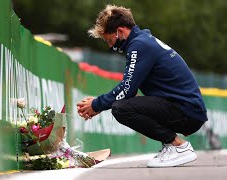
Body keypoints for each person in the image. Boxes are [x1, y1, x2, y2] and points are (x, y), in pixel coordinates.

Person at [77, 5, 207, 168]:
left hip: (187, 111)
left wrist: (97, 104)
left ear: (121, 31)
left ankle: (177, 146)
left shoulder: (139, 45)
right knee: (129, 104)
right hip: (187, 109)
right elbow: (131, 91)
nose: (111, 47)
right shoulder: (142, 41)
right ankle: (171, 145)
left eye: (109, 40)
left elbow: (127, 89)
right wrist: (99, 103)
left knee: (121, 108)